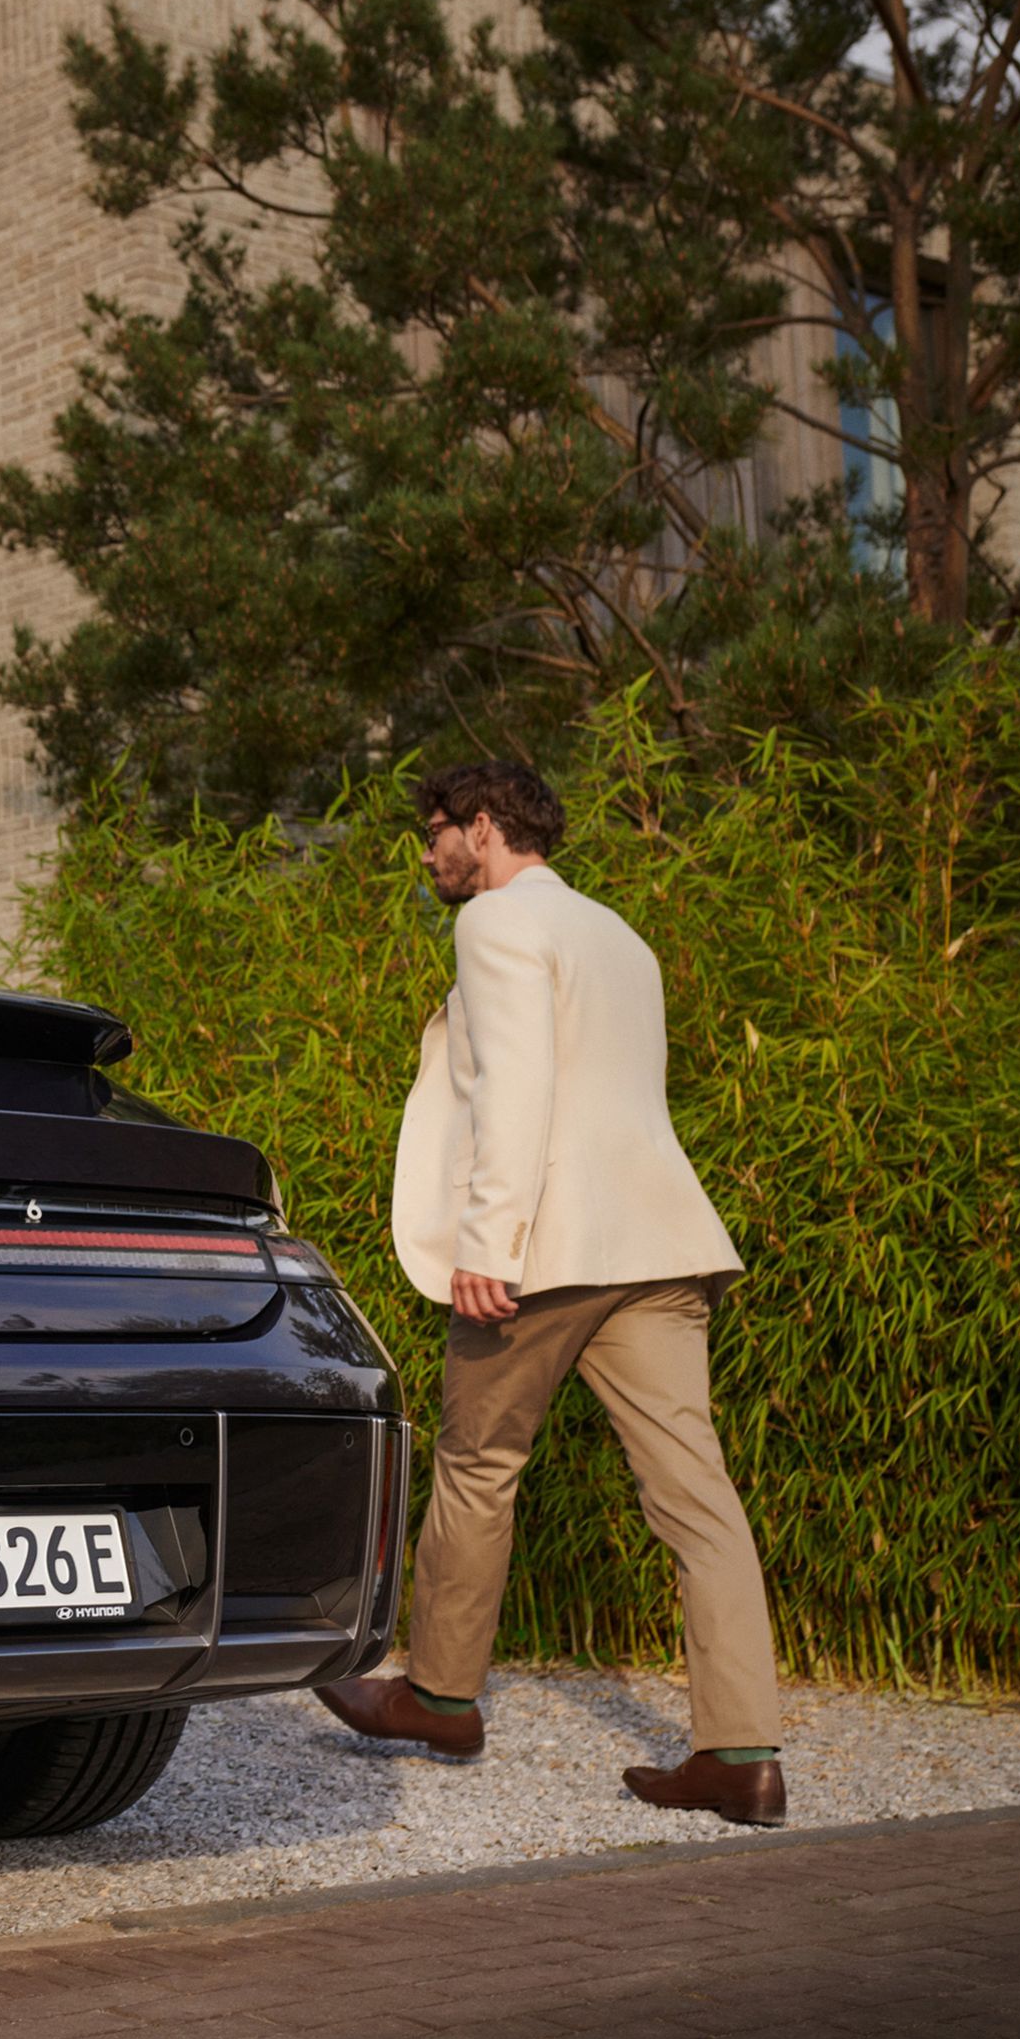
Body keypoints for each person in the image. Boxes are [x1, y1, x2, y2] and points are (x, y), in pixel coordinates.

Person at [318, 761, 786, 1826]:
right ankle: (740, 1749)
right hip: (660, 1241)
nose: (429, 853)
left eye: (437, 831)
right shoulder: (619, 934)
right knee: (696, 1494)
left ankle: (438, 1695)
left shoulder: (492, 925)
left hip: (546, 1250)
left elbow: (519, 1088)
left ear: (483, 830)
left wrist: (491, 1240)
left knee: (479, 1463)